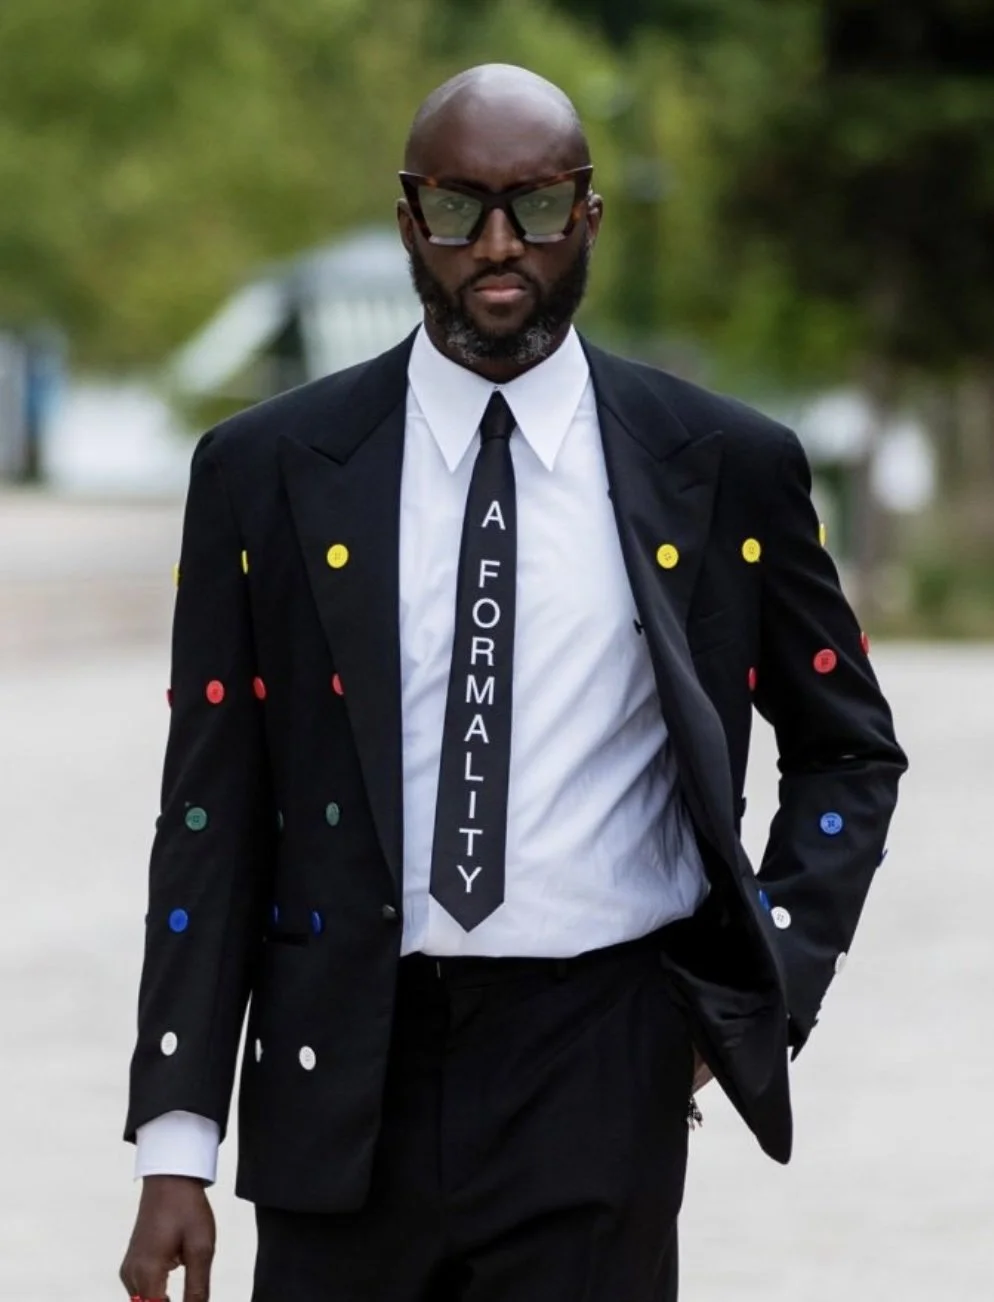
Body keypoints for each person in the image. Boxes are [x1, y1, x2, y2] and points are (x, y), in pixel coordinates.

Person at [119, 62, 906, 1302]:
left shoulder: (723, 467)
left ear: (588, 214)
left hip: (599, 1062)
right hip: (341, 1063)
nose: (497, 246)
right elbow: (209, 814)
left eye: (536, 208)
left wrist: (757, 990)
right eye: (456, 207)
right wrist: (175, 1143)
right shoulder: (265, 471)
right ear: (405, 218)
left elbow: (848, 748)